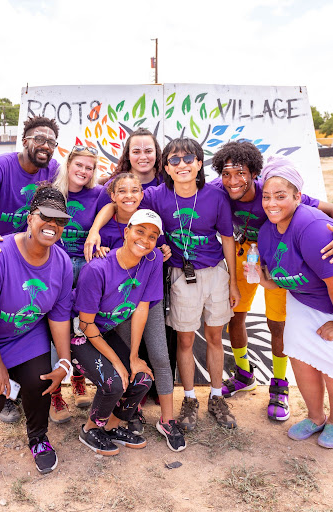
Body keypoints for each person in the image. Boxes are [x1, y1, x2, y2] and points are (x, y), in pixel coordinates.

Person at [87, 138, 240, 431]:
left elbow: (229, 240)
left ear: (199, 163)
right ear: (165, 167)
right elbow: (117, 201)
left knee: (215, 336)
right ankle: (190, 399)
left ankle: (217, 396)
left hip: (215, 273)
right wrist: (95, 230)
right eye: (174, 160)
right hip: (182, 275)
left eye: (188, 159)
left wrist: (233, 282)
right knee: (184, 340)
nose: (182, 165)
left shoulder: (216, 196)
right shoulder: (156, 195)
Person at [211, 141, 333, 422]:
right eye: (227, 174)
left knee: (277, 322)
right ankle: (244, 373)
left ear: (254, 173)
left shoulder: (271, 192)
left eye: (241, 173)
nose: (233, 181)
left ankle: (279, 385)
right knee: (235, 314)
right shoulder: (221, 187)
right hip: (245, 255)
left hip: (279, 257)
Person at [0, 184, 73, 480]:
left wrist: (63, 361)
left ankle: (38, 437)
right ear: (30, 218)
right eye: (46, 217)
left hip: (25, 333)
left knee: (40, 381)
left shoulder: (61, 263)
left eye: (60, 221)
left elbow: (60, 316)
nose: (52, 226)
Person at [0, 115, 60, 423]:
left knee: (20, 315)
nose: (45, 146)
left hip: (26, 249)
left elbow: (80, 183)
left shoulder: (53, 169)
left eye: (51, 142)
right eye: (39, 139)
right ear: (25, 141)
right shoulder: (1, 165)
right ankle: (2, 388)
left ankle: (21, 377)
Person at [92, 173, 184, 452]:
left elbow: (156, 246)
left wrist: (163, 248)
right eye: (123, 191)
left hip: (146, 300)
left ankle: (167, 419)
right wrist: (98, 243)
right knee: (125, 356)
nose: (130, 195)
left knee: (158, 354)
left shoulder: (151, 239)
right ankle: (126, 412)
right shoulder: (106, 224)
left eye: (136, 190)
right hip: (118, 303)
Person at [254, 155, 333, 448]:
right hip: (302, 301)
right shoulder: (267, 231)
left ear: (298, 197)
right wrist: (260, 278)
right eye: (267, 197)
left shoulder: (312, 226)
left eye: (280, 196)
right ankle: (316, 417)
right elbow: (279, 279)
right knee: (302, 360)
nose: (271, 203)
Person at [72, 209, 170, 456]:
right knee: (115, 381)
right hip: (79, 333)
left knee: (142, 378)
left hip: (104, 332)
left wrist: (134, 356)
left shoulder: (152, 259)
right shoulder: (97, 270)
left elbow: (141, 308)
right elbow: (85, 325)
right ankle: (90, 429)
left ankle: (112, 426)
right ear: (126, 232)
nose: (145, 240)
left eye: (152, 236)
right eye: (140, 231)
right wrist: (118, 362)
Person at [48, 145, 102, 423]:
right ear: (68, 165)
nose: (83, 171)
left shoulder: (98, 194)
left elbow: (112, 210)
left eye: (89, 167)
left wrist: (94, 232)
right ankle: (55, 392)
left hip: (84, 269)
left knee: (81, 327)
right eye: (79, 165)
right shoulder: (52, 194)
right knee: (54, 330)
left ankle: (79, 378)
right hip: (54, 267)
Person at [96, 127, 163, 210]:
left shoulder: (168, 182)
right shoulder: (113, 186)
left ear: (156, 153)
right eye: (136, 152)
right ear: (128, 155)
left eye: (148, 151)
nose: (143, 157)